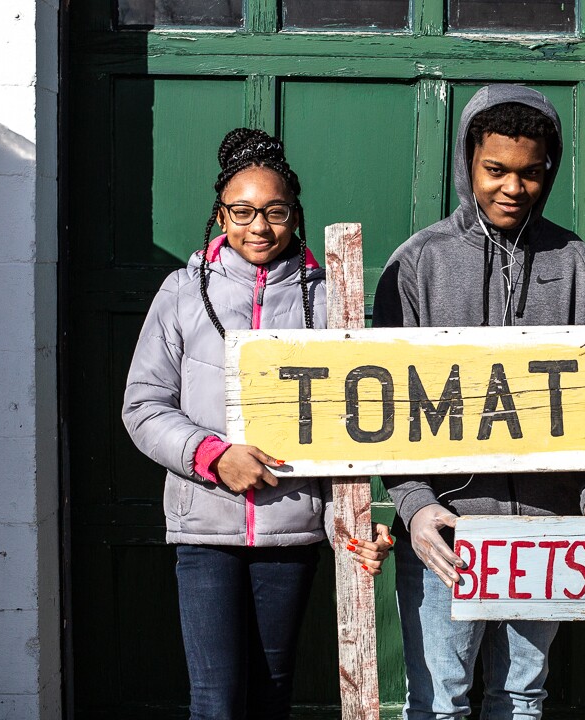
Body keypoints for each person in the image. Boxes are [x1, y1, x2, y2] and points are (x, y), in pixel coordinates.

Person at [373, 85, 585, 720]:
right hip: (450, 530)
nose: (513, 188)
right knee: (440, 703)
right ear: (467, 165)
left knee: (522, 698)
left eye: (531, 173)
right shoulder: (418, 265)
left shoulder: (581, 267)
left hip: (546, 530)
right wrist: (415, 505)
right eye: (496, 171)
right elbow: (378, 408)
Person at [122, 128, 392, 720]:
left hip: (290, 529)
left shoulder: (330, 299)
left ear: (296, 215)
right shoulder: (182, 294)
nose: (260, 228)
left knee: (272, 694)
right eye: (242, 212)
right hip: (204, 531)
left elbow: (360, 417)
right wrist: (213, 455)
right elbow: (142, 405)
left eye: (275, 212)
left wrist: (360, 521)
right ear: (221, 213)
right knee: (215, 702)